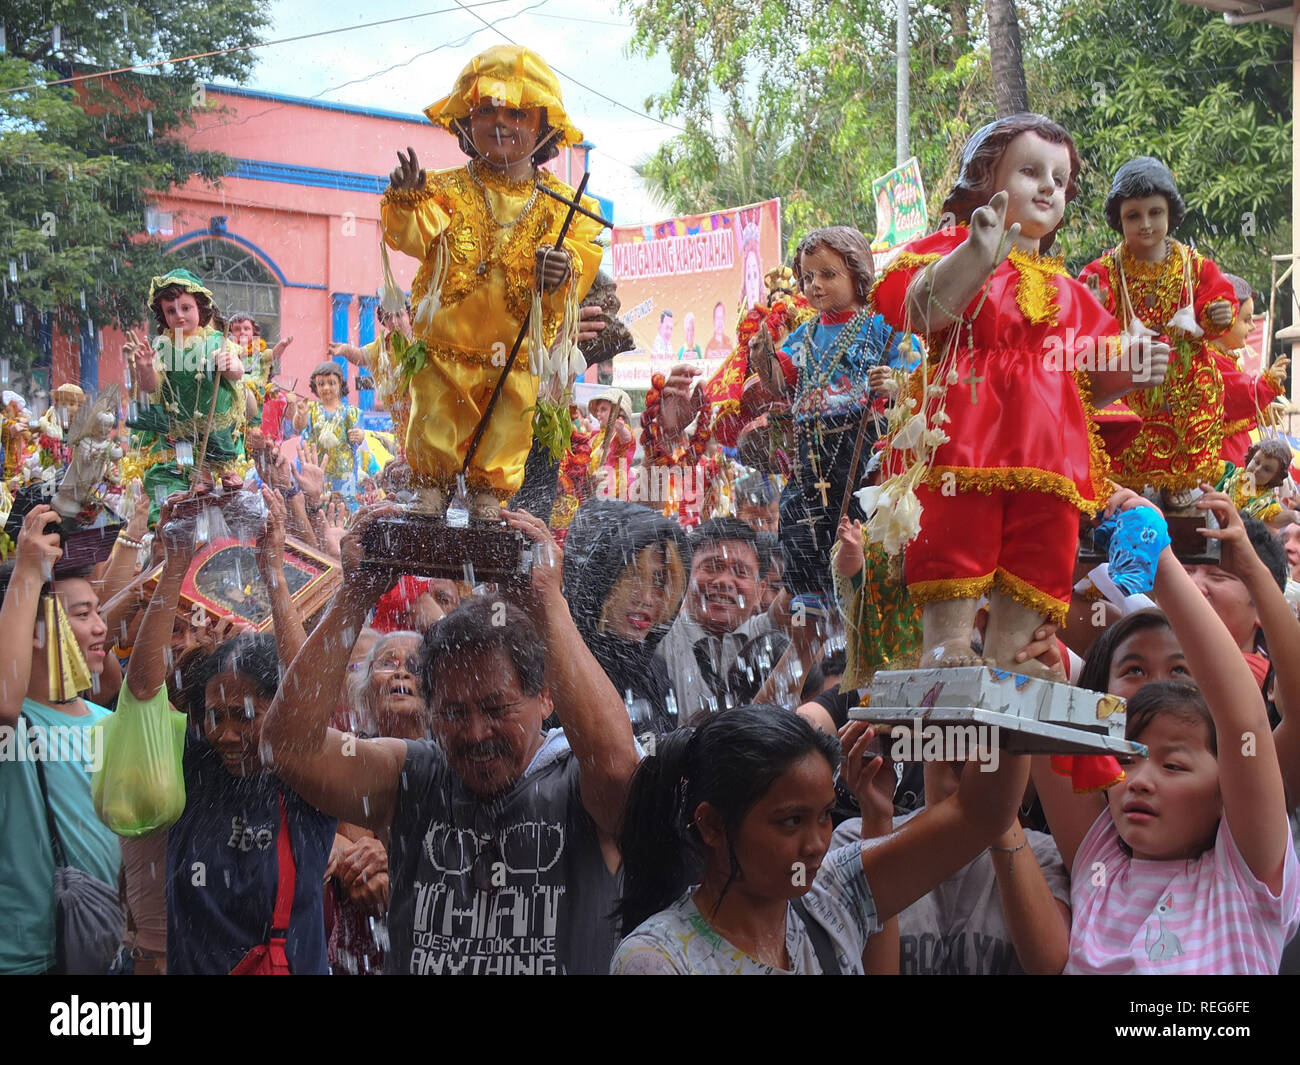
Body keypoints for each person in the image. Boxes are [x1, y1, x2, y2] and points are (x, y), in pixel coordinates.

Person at [261, 504, 642, 974]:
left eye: (496, 708)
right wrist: (354, 595)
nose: (476, 732)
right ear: (430, 711)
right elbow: (289, 748)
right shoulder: (414, 773)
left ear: (546, 697)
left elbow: (619, 769)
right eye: (453, 713)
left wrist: (549, 604)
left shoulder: (578, 783)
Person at [870, 114, 1168, 675]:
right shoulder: (955, 248)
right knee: (958, 530)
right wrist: (975, 259)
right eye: (1031, 171)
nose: (1049, 187)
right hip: (965, 437)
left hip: (1050, 454)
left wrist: (1132, 367)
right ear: (987, 180)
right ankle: (947, 644)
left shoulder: (1072, 292)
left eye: (1060, 177)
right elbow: (920, 309)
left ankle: (1018, 652)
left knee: (1042, 545)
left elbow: (1091, 377)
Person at [1033, 490, 1300, 973]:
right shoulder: (1099, 860)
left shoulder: (1245, 873)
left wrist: (1162, 556)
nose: (1138, 779)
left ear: (1227, 788)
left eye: (1173, 763)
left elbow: (1244, 721)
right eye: (1127, 759)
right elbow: (1038, 705)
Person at [611, 708, 1031, 974]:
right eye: (791, 820)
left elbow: (982, 812)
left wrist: (1015, 676)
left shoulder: (835, 895)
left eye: (826, 815)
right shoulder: (657, 962)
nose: (816, 844)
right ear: (713, 825)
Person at [380, 45, 604, 522]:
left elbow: (581, 260)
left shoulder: (563, 205)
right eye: (486, 110)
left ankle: (489, 498)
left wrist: (562, 269)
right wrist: (405, 199)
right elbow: (410, 237)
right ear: (466, 120)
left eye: (516, 113)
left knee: (508, 424)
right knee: (435, 415)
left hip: (515, 354)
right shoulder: (441, 187)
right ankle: (430, 489)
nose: (500, 123)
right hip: (443, 349)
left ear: (543, 127)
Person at [753, 226, 908, 612]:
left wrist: (894, 383)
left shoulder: (882, 328)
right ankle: (811, 591)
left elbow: (916, 379)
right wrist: (762, 359)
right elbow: (779, 382)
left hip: (861, 437)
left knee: (857, 510)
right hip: (812, 443)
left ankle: (860, 586)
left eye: (827, 274)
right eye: (808, 277)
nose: (815, 286)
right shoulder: (804, 335)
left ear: (858, 276)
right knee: (798, 512)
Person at [1079, 157, 1237, 508]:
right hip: (1129, 377)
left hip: (1185, 379)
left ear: (1170, 213)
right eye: (1133, 216)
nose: (1146, 224)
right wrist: (1094, 303)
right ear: (1119, 221)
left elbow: (1218, 298)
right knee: (1125, 437)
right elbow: (1085, 321)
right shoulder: (1105, 269)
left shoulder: (1194, 264)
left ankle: (1176, 482)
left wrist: (1217, 312)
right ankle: (1123, 486)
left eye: (1155, 213)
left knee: (1185, 428)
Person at [0, 506, 118, 974]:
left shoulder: (107, 723)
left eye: (99, 612)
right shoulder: (14, 726)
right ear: (34, 629)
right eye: (83, 614)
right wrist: (29, 571)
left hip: (100, 955)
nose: (100, 627)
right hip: (21, 962)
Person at [561, 498, 690, 738]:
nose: (647, 598)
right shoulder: (555, 667)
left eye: (660, 580)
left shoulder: (654, 671)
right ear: (596, 578)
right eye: (632, 577)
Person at [124, 268, 247, 520]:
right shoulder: (162, 345)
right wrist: (145, 368)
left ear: (200, 308)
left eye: (186, 308)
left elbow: (238, 371)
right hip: (180, 415)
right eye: (171, 311)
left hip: (214, 409)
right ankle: (199, 477)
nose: (179, 316)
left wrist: (229, 365)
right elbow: (150, 387)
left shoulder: (215, 339)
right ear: (163, 315)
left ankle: (226, 472)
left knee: (218, 441)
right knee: (187, 448)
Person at [653, 517, 774, 724]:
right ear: (685, 575)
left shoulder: (770, 636)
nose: (724, 582)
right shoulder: (656, 635)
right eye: (712, 567)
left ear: (759, 592)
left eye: (740, 572)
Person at [1212, 274, 1287, 468]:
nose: (1253, 327)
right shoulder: (1211, 360)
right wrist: (1267, 383)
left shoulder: (1223, 358)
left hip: (1232, 456)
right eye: (1246, 320)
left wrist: (1260, 413)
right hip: (1222, 461)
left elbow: (1232, 413)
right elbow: (1240, 395)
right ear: (1222, 321)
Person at [293, 361, 362, 506]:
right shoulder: (310, 410)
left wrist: (360, 436)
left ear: (340, 385)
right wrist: (300, 415)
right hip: (316, 472)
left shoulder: (351, 412)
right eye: (321, 383)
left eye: (331, 383)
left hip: (343, 474)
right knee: (316, 508)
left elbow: (360, 437)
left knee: (344, 510)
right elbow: (299, 426)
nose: (326, 388)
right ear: (315, 386)